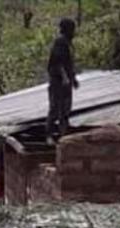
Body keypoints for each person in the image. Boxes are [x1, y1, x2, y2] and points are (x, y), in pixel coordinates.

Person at [46, 17, 79, 145]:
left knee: (65, 110)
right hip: (58, 82)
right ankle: (49, 135)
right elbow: (58, 62)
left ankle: (63, 136)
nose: (74, 32)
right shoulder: (60, 42)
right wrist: (65, 77)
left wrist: (73, 78)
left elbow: (68, 64)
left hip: (65, 82)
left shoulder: (67, 43)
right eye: (72, 29)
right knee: (55, 109)